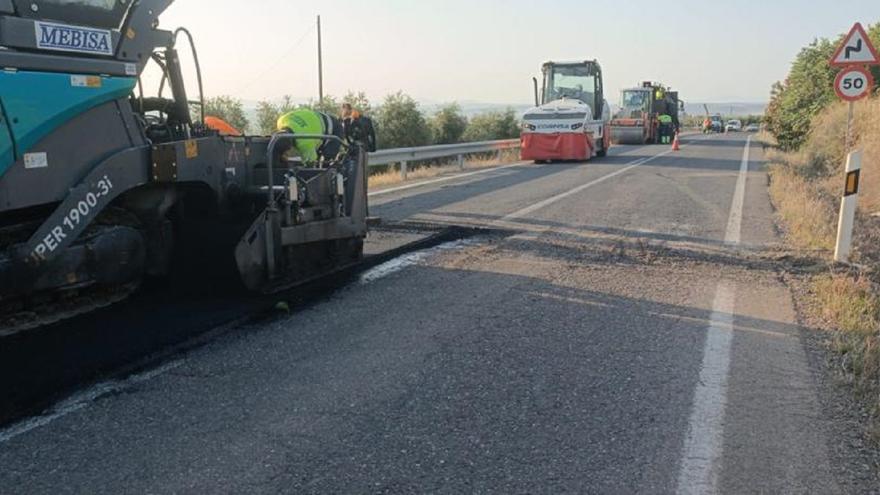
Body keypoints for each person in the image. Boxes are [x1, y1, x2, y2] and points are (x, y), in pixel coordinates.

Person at [276, 108, 344, 163]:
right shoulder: (281, 121)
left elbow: (311, 165)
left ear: (290, 146)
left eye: (286, 153)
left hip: (334, 129)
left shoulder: (304, 142)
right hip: (319, 117)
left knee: (325, 163)